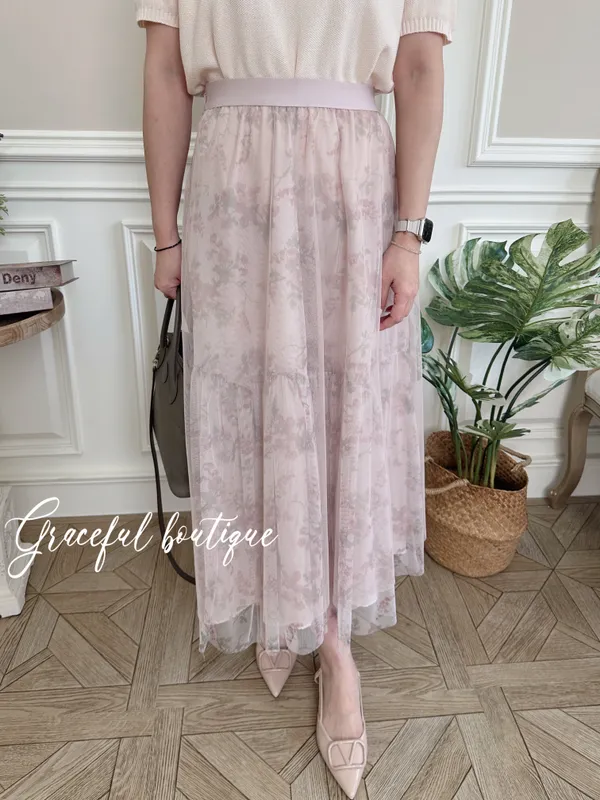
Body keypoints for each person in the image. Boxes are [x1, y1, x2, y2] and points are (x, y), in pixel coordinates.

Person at [136, 1, 456, 795]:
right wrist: (166, 233)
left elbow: (419, 67)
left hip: (354, 186)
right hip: (232, 183)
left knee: (345, 409)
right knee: (248, 406)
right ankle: (279, 602)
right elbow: (167, 71)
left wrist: (408, 235)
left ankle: (335, 642)